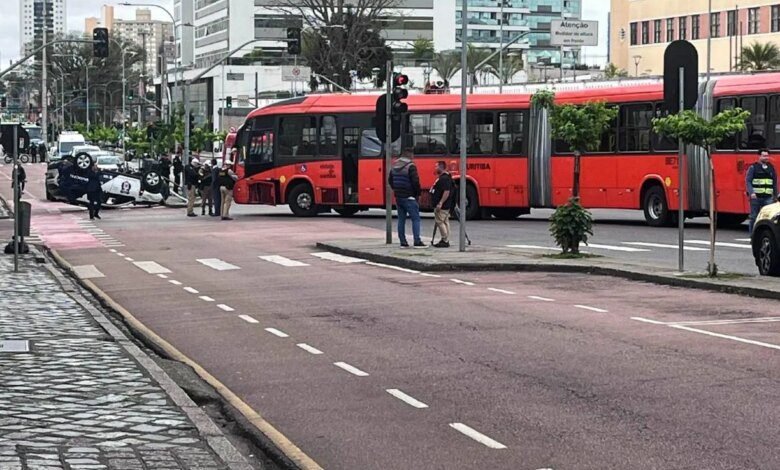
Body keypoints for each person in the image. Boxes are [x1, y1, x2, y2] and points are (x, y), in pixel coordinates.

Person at [388, 148, 424, 248]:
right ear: (410, 155)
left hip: (399, 197)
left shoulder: (395, 166)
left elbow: (390, 180)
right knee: (416, 219)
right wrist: (417, 194)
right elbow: (415, 182)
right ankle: (417, 241)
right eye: (413, 155)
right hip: (409, 197)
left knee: (401, 220)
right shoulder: (411, 166)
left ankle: (403, 242)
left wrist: (396, 189)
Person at [746, 148, 777, 234]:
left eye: (767, 156)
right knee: (754, 217)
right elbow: (748, 181)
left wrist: (776, 196)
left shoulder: (771, 168)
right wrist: (751, 192)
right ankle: (752, 236)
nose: (766, 157)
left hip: (768, 197)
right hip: (756, 197)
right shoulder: (753, 167)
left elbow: (774, 182)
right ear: (759, 157)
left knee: (769, 218)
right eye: (764, 156)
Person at [430, 161, 454, 248]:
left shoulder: (444, 179)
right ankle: (446, 239)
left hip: (442, 205)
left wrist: (440, 203)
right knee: (445, 221)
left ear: (441, 167)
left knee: (440, 222)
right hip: (446, 204)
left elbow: (446, 192)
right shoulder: (446, 178)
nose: (435, 168)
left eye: (436, 166)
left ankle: (445, 240)